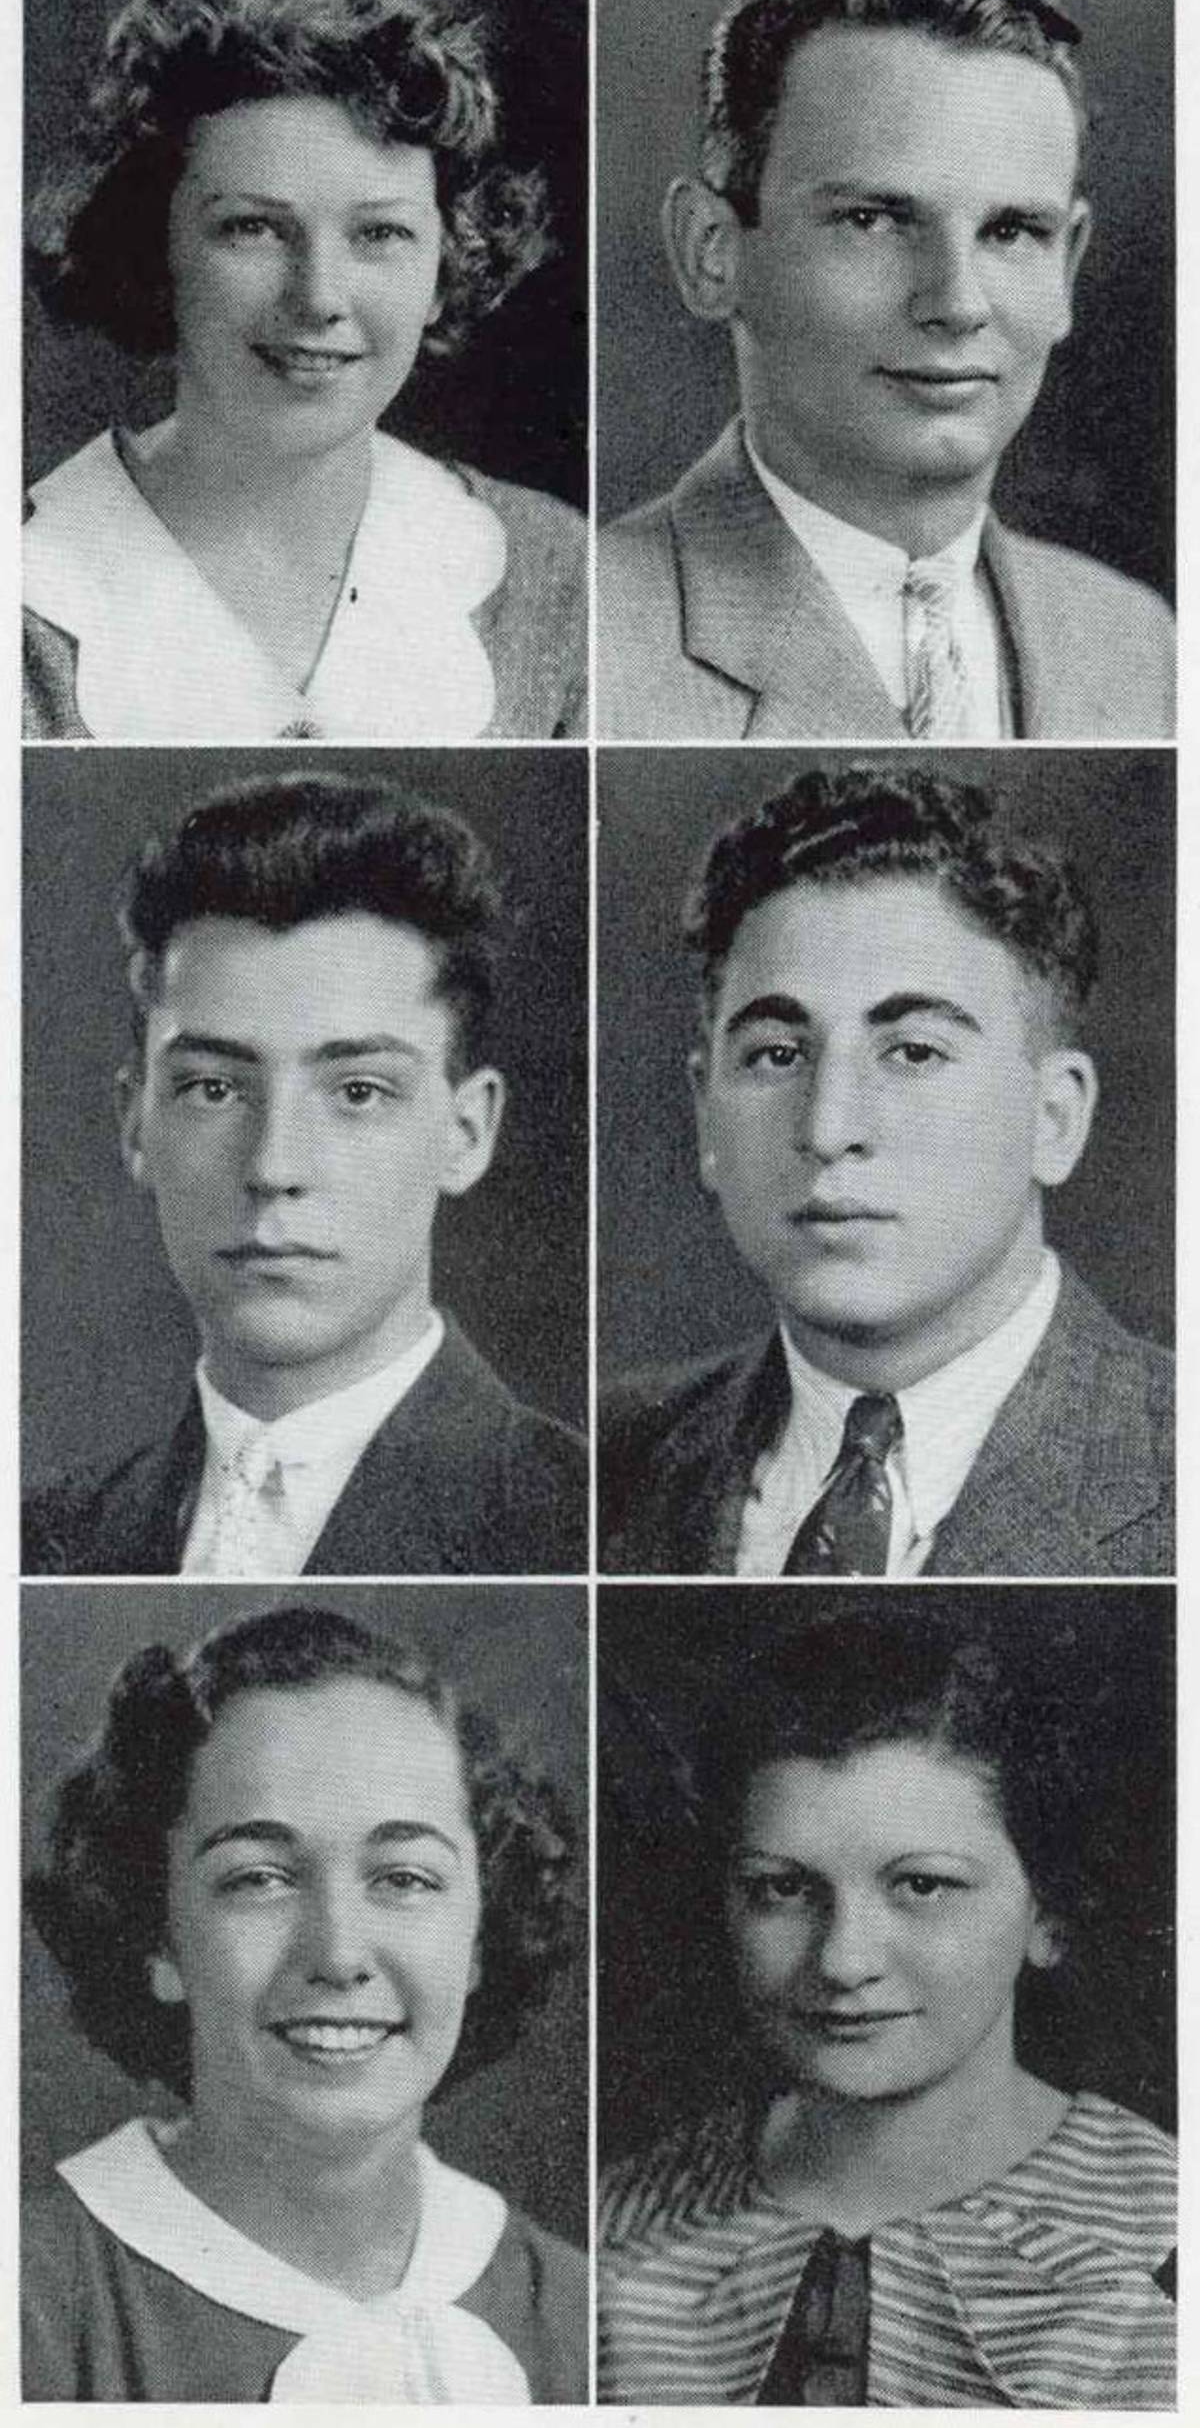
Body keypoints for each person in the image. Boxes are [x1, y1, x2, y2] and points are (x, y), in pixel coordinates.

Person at [597, 0, 1175, 741]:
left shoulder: (1139, 642)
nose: (957, 302)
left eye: (1012, 232)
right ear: (712, 251)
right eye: (873, 219)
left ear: (1068, 267)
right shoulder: (593, 634)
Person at [598, 1594, 1175, 2404]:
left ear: (1047, 1912)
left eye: (922, 1884)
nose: (842, 1958)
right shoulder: (613, 2234)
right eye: (783, 1887)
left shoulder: (1164, 2244)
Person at [600, 765, 1172, 1579]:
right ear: (705, 1116)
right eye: (777, 1055)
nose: (829, 1128)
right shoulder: (600, 1463)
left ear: (1055, 1117)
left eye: (912, 1052)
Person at [24, 0, 586, 743]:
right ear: (152, 248)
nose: (318, 296)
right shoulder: (31, 595)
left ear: (448, 258)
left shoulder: (555, 575)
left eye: (380, 235)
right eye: (252, 227)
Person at [24, 768, 586, 1576]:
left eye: (358, 1091)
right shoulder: (44, 1537)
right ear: (136, 1121)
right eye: (213, 1087)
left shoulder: (584, 1524)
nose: (274, 1166)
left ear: (466, 1131)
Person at [24, 1595, 588, 2399]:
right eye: (258, 1877)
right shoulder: (39, 2299)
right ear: (157, 1934)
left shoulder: (578, 2309)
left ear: (478, 1937)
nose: (338, 1954)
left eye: (403, 1878)